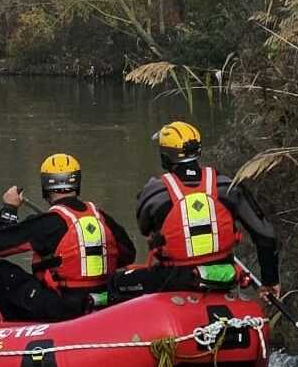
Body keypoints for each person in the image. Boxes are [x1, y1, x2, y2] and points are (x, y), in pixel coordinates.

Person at [109, 121, 280, 300]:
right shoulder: (227, 186)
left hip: (174, 278)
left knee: (115, 282)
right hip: (225, 275)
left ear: (165, 156)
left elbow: (145, 228)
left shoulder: (155, 192)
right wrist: (270, 281)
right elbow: (266, 236)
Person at [0, 153, 137, 322]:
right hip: (102, 299)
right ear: (76, 183)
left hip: (63, 308)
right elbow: (128, 254)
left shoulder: (47, 223)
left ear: (45, 186)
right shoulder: (101, 217)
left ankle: (18, 328)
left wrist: (10, 208)